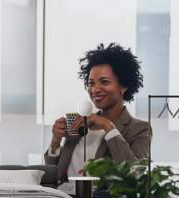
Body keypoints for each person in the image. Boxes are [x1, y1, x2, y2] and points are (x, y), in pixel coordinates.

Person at [44, 43, 150, 185]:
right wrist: (55, 142)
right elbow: (54, 175)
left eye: (104, 82)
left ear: (123, 86)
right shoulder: (78, 125)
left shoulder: (139, 129)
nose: (95, 89)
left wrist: (107, 126)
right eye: (91, 83)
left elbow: (137, 176)